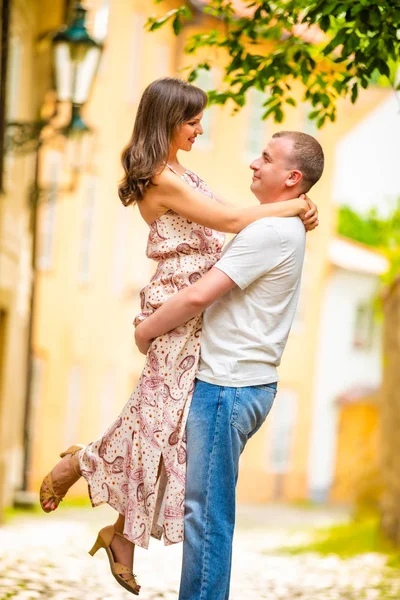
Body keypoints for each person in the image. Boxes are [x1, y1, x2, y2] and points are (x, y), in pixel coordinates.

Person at [39, 78, 318, 596]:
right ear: (167, 121)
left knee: (160, 426)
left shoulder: (182, 173)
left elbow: (236, 225)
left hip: (193, 318)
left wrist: (293, 209)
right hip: (176, 310)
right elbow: (235, 219)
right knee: (154, 419)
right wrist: (294, 206)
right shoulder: (161, 178)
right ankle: (82, 462)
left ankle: (122, 533)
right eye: (192, 121)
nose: (199, 128)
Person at [134, 130, 324, 599]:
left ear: (291, 177)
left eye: (266, 158)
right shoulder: (280, 225)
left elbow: (200, 295)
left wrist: (146, 330)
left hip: (228, 388)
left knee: (206, 514)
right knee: (200, 507)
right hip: (236, 386)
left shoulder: (270, 231)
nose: (254, 165)